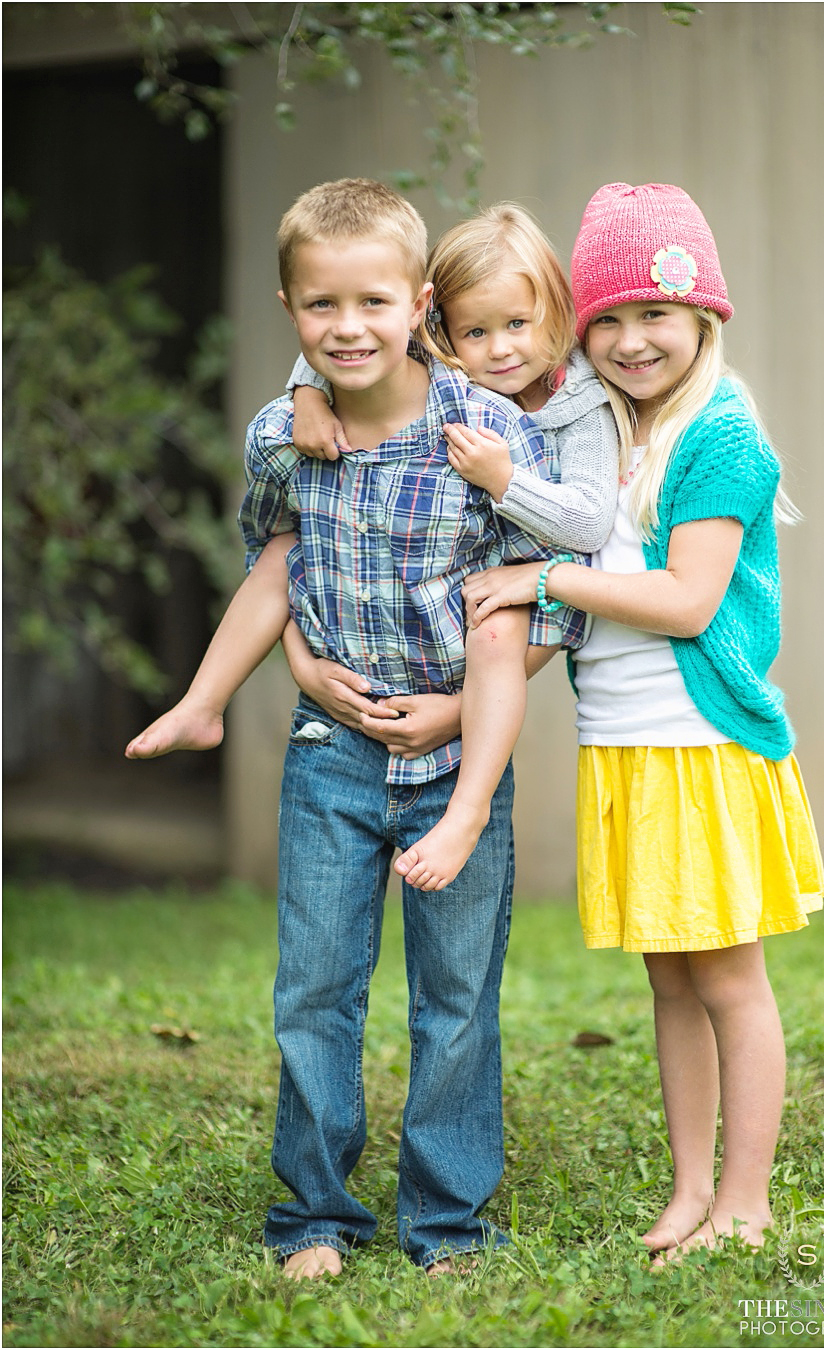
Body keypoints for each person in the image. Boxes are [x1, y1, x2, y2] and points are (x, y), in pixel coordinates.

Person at [131, 177, 586, 1278]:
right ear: (290, 308)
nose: (348, 328)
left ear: (419, 304)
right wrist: (279, 672)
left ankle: (448, 1223)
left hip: (454, 750)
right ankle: (316, 1219)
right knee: (316, 991)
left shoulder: (486, 425)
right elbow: (271, 560)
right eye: (322, 307)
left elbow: (553, 590)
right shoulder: (282, 436)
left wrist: (466, 704)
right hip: (327, 753)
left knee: (456, 1000)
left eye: (374, 304)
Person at [461, 182, 824, 1259]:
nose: (629, 341)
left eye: (655, 315)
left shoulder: (721, 436)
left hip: (703, 748)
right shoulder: (602, 432)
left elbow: (686, 600)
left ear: (704, 317)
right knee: (669, 975)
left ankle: (746, 1201)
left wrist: (548, 581)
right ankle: (688, 1189)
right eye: (607, 320)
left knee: (727, 976)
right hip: (622, 747)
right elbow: (445, 351)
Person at [290, 203, 619, 889]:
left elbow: (588, 526)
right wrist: (305, 393)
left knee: (495, 627)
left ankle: (466, 814)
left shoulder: (580, 399)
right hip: (449, 596)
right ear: (436, 324)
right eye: (476, 331)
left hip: (541, 582)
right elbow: (352, 331)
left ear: (554, 313)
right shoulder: (431, 366)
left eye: (518, 325)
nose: (500, 350)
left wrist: (503, 479)